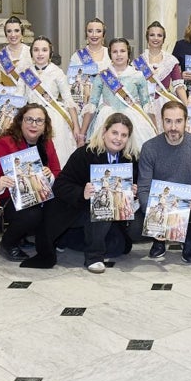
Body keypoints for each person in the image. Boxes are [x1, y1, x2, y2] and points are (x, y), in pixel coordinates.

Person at [35, 113, 139, 272]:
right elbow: (60, 185)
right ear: (104, 132)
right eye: (114, 133)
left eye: (124, 135)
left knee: (119, 247)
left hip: (105, 216)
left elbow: (127, 195)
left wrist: (132, 191)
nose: (118, 138)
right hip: (73, 210)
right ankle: (93, 256)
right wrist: (81, 193)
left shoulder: (129, 159)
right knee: (102, 208)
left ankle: (67, 239)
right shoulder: (84, 153)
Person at [133, 100, 191, 263]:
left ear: (186, 122)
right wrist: (151, 212)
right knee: (134, 228)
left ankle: (187, 238)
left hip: (188, 203)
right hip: (159, 205)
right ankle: (159, 240)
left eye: (178, 121)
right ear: (162, 122)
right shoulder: (149, 147)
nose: (173, 127)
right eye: (168, 121)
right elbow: (143, 188)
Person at [0, 103, 62, 261]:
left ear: (45, 125)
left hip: (32, 197)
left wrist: (49, 176)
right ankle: (7, 244)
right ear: (20, 121)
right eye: (29, 119)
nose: (33, 124)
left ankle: (21, 234)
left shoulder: (47, 143)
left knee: (57, 206)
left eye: (39, 121)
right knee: (33, 214)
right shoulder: (5, 143)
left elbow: (57, 172)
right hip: (1, 200)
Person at [80, 37, 157, 148]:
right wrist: (82, 133)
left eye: (122, 51)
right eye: (115, 52)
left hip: (133, 118)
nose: (119, 55)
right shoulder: (102, 76)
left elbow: (146, 104)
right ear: (110, 54)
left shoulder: (138, 75)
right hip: (106, 118)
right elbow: (92, 104)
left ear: (128, 53)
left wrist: (155, 130)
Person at [20, 35, 80, 158]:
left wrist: (76, 127)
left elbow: (68, 100)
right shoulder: (26, 73)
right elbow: (19, 99)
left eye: (44, 50)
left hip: (53, 118)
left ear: (50, 53)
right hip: (30, 118)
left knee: (54, 154)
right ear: (31, 53)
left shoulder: (57, 72)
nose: (40, 54)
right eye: (36, 50)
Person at [139, 21, 188, 127]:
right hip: (144, 103)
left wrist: (187, 106)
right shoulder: (139, 61)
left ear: (163, 39)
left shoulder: (171, 61)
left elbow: (179, 86)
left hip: (164, 102)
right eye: (152, 35)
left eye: (159, 35)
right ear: (147, 38)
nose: (155, 38)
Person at [0, 16, 31, 86]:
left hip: (28, 96)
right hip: (7, 96)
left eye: (16, 30)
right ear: (6, 34)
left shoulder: (31, 53)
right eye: (9, 31)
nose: (13, 35)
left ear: (22, 32)